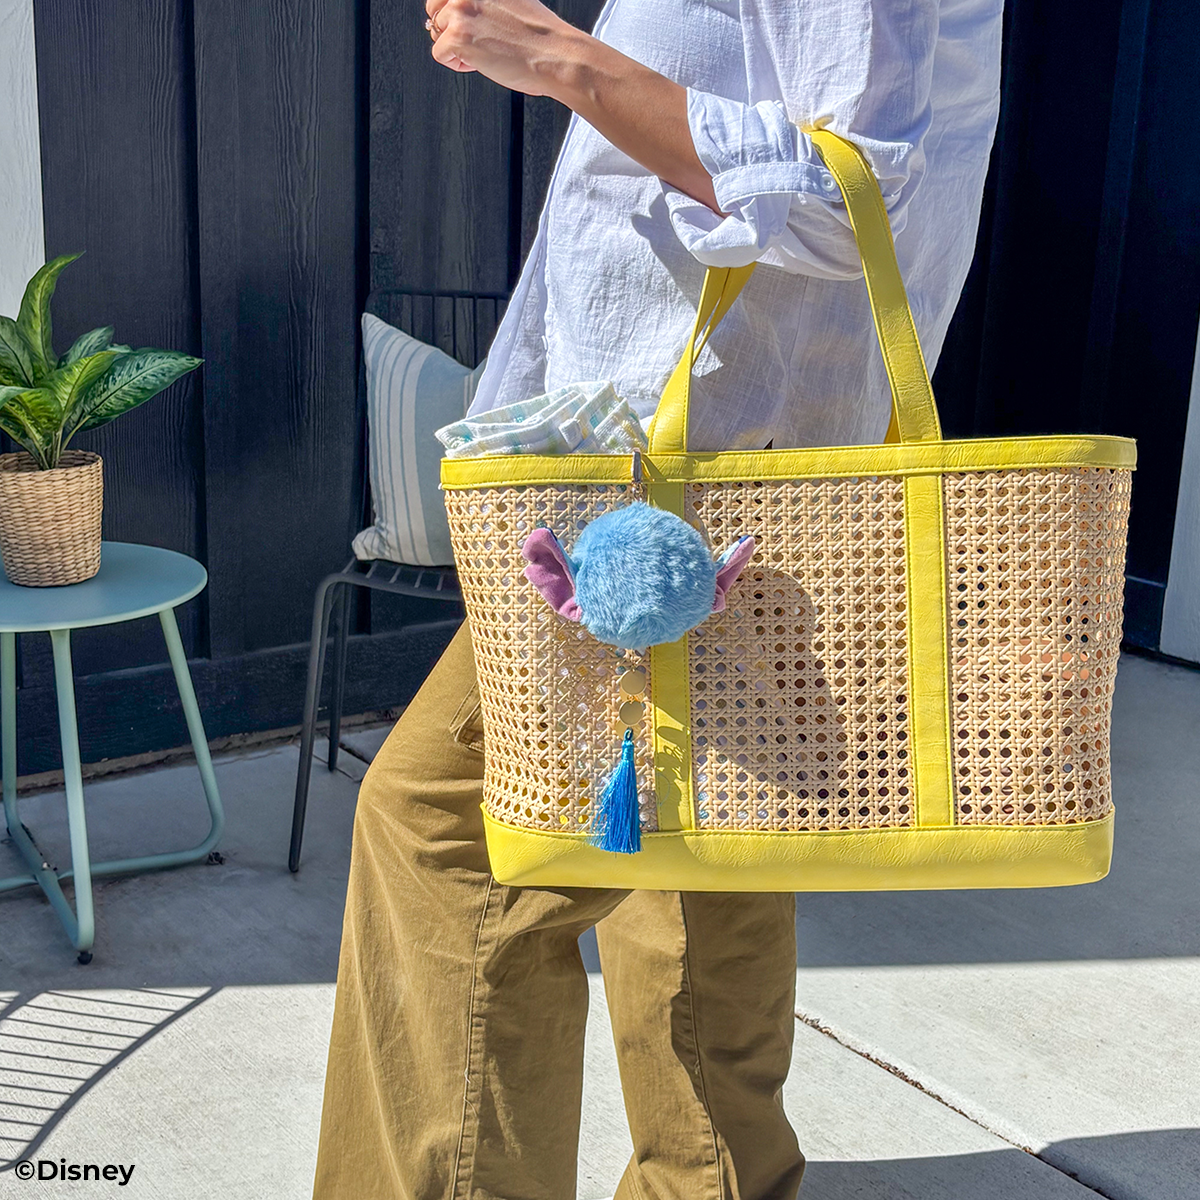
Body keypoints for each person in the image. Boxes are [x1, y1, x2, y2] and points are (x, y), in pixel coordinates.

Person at [312, 1, 1002, 1196]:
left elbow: (860, 194)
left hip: (677, 495)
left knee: (448, 836)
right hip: (706, 475)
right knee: (701, 874)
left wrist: (569, 63)